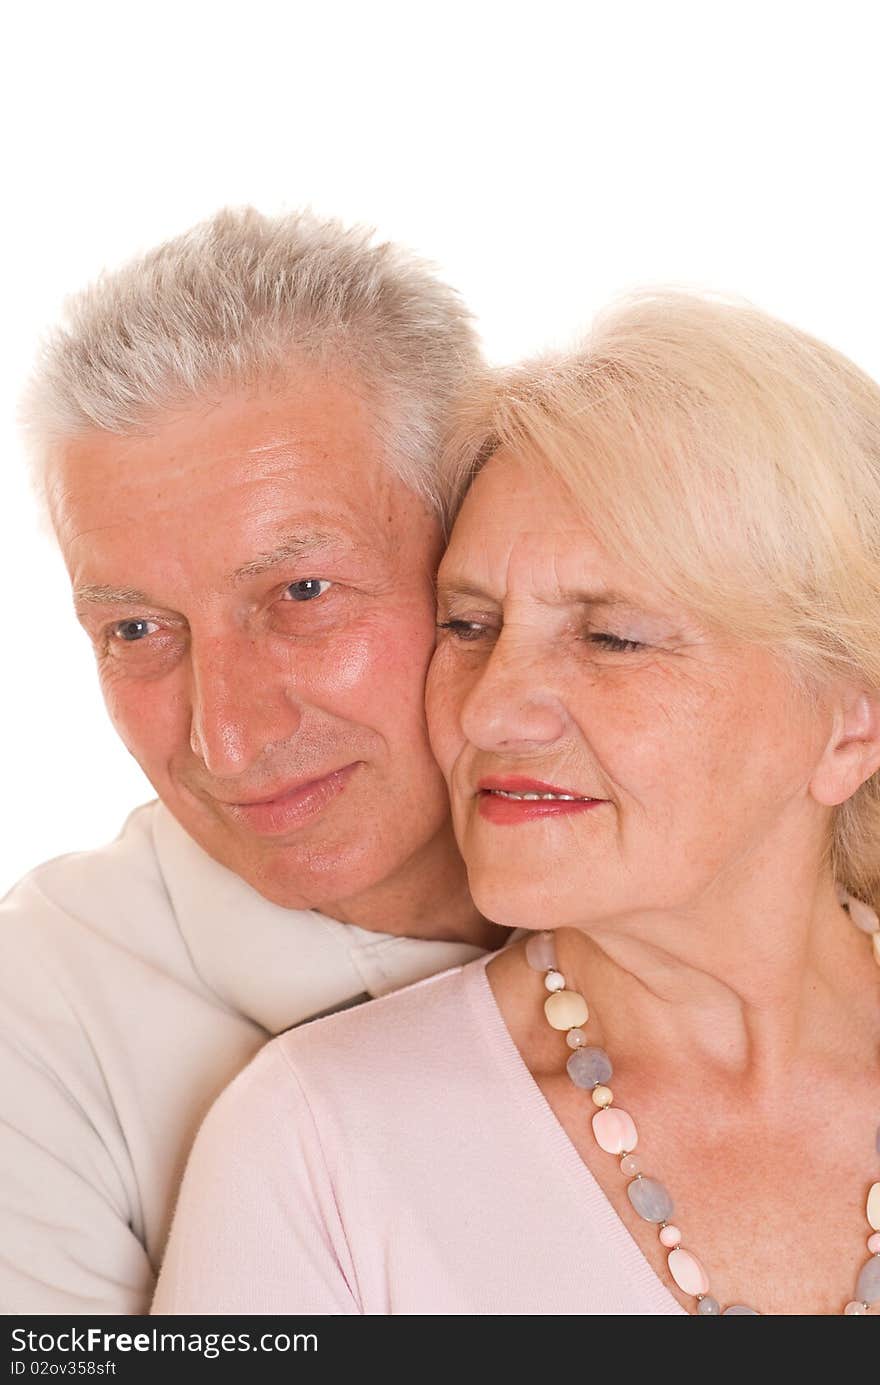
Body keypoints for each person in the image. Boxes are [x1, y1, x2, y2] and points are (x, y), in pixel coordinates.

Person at [153, 291, 880, 1316]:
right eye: (468, 622)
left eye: (612, 636)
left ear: (850, 722)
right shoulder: (318, 1137)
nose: (491, 709)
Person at [0, 207, 507, 1315]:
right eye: (137, 630)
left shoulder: (731, 862)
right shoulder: (29, 1022)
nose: (221, 739)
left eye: (301, 594)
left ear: (477, 550)